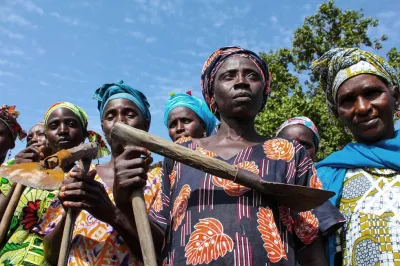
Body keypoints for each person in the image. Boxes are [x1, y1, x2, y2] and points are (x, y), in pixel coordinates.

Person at [115, 47, 344, 265]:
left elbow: (311, 242)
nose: (241, 82)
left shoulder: (290, 153)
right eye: (229, 76)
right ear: (211, 92)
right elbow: (156, 241)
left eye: (252, 75)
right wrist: (124, 202)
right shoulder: (180, 154)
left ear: (264, 90)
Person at [37, 81, 156, 265]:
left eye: (129, 114)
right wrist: (70, 212)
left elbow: (167, 251)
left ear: (146, 124)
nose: (120, 121)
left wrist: (113, 215)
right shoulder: (81, 178)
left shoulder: (162, 178)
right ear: (103, 126)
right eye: (111, 116)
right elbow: (51, 255)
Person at [313, 48, 400, 266]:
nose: (361, 108)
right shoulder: (325, 177)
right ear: (337, 113)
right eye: (348, 100)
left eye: (371, 93)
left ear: (395, 97)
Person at [0, 102, 106, 266]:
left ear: (84, 133)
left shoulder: (94, 178)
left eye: (71, 124)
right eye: (54, 125)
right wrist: (19, 176)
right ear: (47, 135)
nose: (63, 130)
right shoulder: (21, 166)